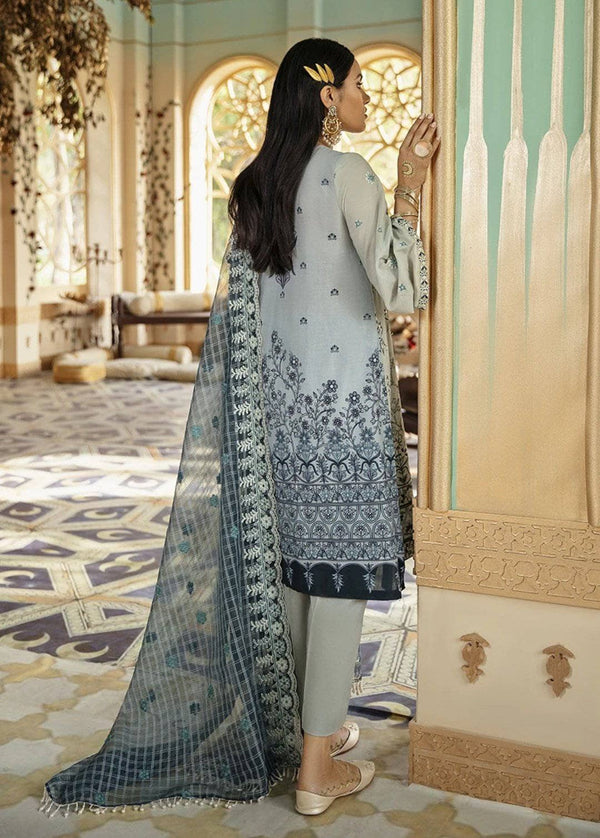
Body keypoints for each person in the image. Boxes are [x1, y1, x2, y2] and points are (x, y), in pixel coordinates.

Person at [40, 37, 438, 820]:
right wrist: (409, 187)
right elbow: (400, 288)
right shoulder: (352, 174)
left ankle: (307, 732)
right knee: (338, 584)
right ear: (326, 96)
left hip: (278, 421)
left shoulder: (256, 185)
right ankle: (317, 768)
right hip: (343, 421)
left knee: (293, 576)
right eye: (357, 85)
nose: (365, 98)